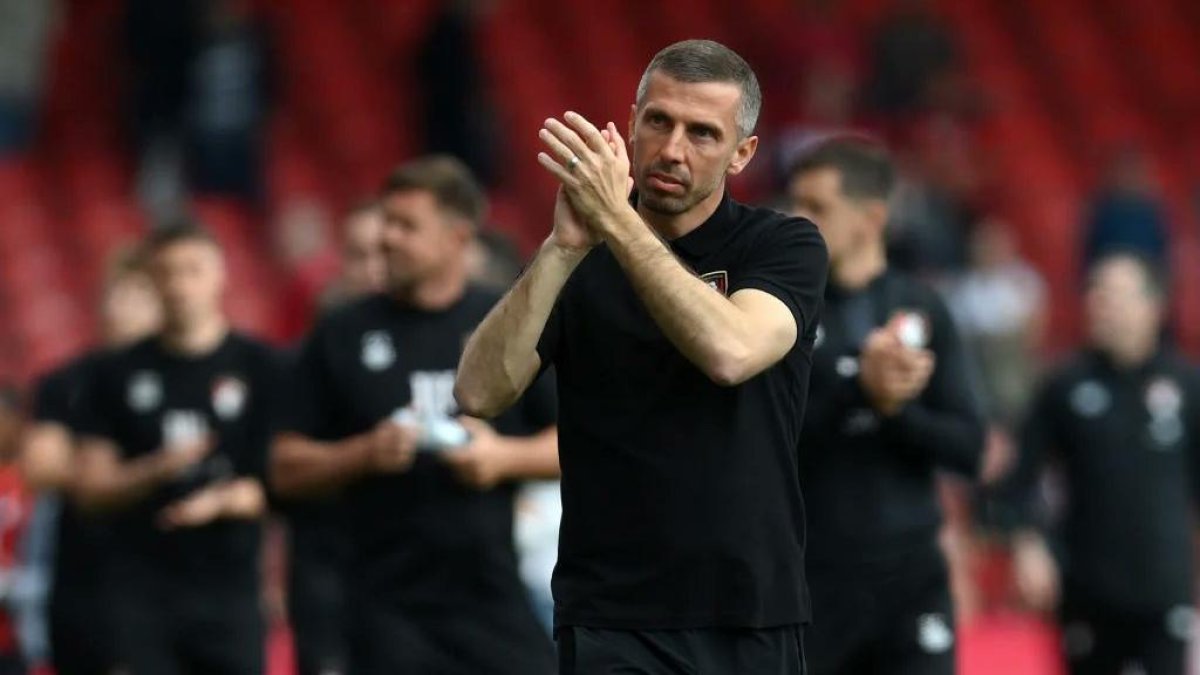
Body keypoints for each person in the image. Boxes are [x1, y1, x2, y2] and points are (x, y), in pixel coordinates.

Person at [456, 39, 828, 673]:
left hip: (745, 612)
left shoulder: (782, 246)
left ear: (742, 153)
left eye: (703, 133)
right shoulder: (579, 256)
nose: (673, 149)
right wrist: (560, 249)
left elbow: (730, 351)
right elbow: (479, 392)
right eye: (659, 121)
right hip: (609, 614)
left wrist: (616, 224)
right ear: (630, 122)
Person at [270, 156, 561, 675]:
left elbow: (576, 443)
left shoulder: (505, 321)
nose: (387, 239)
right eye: (386, 222)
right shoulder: (341, 331)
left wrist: (503, 457)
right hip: (383, 605)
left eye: (406, 226)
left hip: (491, 595)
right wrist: (363, 452)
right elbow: (283, 466)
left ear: (457, 236)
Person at [787, 135, 985, 675]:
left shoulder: (922, 307)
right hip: (814, 578)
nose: (798, 220)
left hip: (911, 577)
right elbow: (766, 443)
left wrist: (894, 409)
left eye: (817, 207)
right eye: (795, 203)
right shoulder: (783, 312)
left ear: (870, 218)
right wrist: (862, 392)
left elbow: (969, 449)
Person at [75, 223, 277, 675]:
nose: (180, 285)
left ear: (221, 274)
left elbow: (286, 481)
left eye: (192, 270)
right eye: (167, 273)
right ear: (151, 281)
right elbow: (90, 489)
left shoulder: (264, 367)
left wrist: (227, 500)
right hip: (143, 595)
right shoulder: (115, 374)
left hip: (232, 593)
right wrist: (155, 469)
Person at [1004, 252, 1199, 675]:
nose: (1101, 305)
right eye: (1095, 293)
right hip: (1088, 590)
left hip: (1164, 590)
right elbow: (1018, 477)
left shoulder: (1187, 386)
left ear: (1153, 306)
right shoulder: (1065, 384)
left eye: (1115, 295)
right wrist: (1028, 543)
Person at [21, 248, 163, 675]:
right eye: (116, 292)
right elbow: (40, 466)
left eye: (140, 293)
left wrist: (97, 470)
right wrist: (143, 471)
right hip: (85, 582)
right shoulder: (67, 383)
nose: (122, 306)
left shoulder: (187, 379)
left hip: (162, 579)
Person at [284, 199, 385, 675]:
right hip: (332, 573)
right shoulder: (307, 361)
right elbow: (281, 470)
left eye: (380, 252)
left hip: (425, 582)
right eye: (357, 255)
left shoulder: (459, 344)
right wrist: (366, 454)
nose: (370, 270)